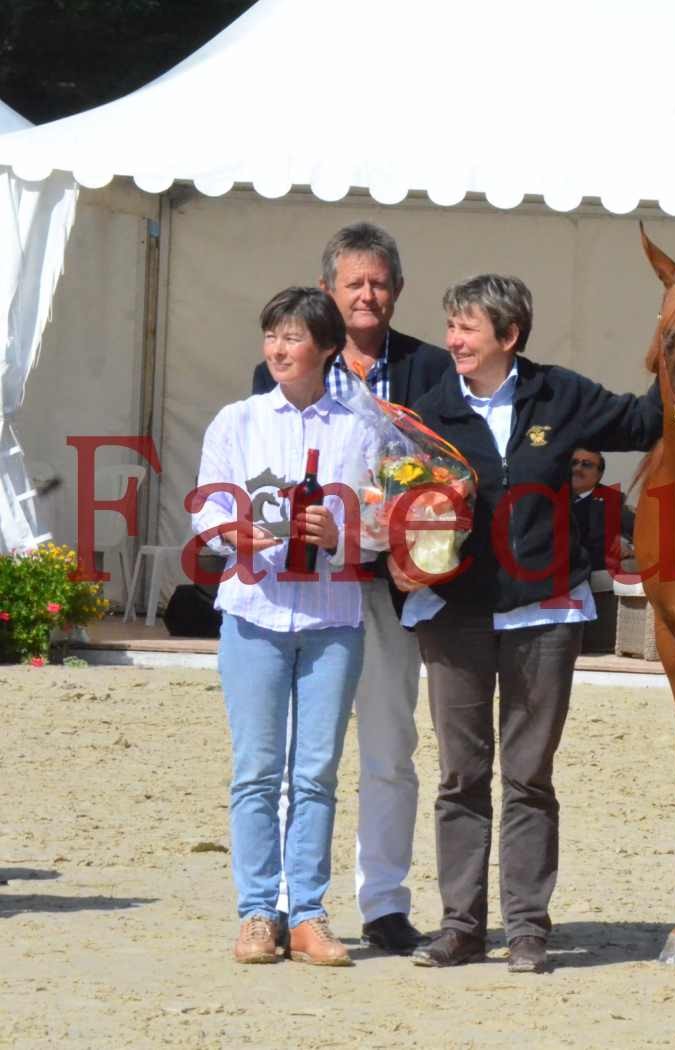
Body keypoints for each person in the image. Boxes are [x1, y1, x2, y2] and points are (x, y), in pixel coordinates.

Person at [390, 274, 661, 974]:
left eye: (467, 329)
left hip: (544, 610)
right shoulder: (428, 411)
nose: (452, 340)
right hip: (455, 613)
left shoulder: (562, 393)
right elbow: (397, 501)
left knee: (529, 775)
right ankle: (459, 926)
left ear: (508, 337)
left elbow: (641, 422)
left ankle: (528, 928)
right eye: (451, 326)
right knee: (461, 774)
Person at [248, 222, 449, 955]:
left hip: (391, 588)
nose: (367, 295)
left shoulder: (432, 369)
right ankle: (279, 903)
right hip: (307, 591)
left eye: (379, 283)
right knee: (300, 750)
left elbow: (448, 476)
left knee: (391, 747)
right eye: (353, 283)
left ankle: (385, 901)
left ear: (397, 290)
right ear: (329, 292)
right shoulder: (283, 368)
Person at [195, 287, 377, 966]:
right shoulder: (235, 422)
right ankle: (256, 913)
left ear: (328, 348)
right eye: (272, 335)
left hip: (333, 617)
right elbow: (206, 511)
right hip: (255, 610)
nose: (278, 349)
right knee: (256, 771)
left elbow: (381, 527)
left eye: (294, 337)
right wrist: (230, 531)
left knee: (317, 773)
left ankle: (308, 913)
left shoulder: (357, 430)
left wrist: (342, 531)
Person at [568, 447, 634, 574]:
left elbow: (643, 530)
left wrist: (625, 544)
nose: (577, 469)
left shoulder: (612, 501)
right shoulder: (549, 498)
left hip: (593, 574)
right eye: (573, 463)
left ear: (599, 475)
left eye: (586, 465)